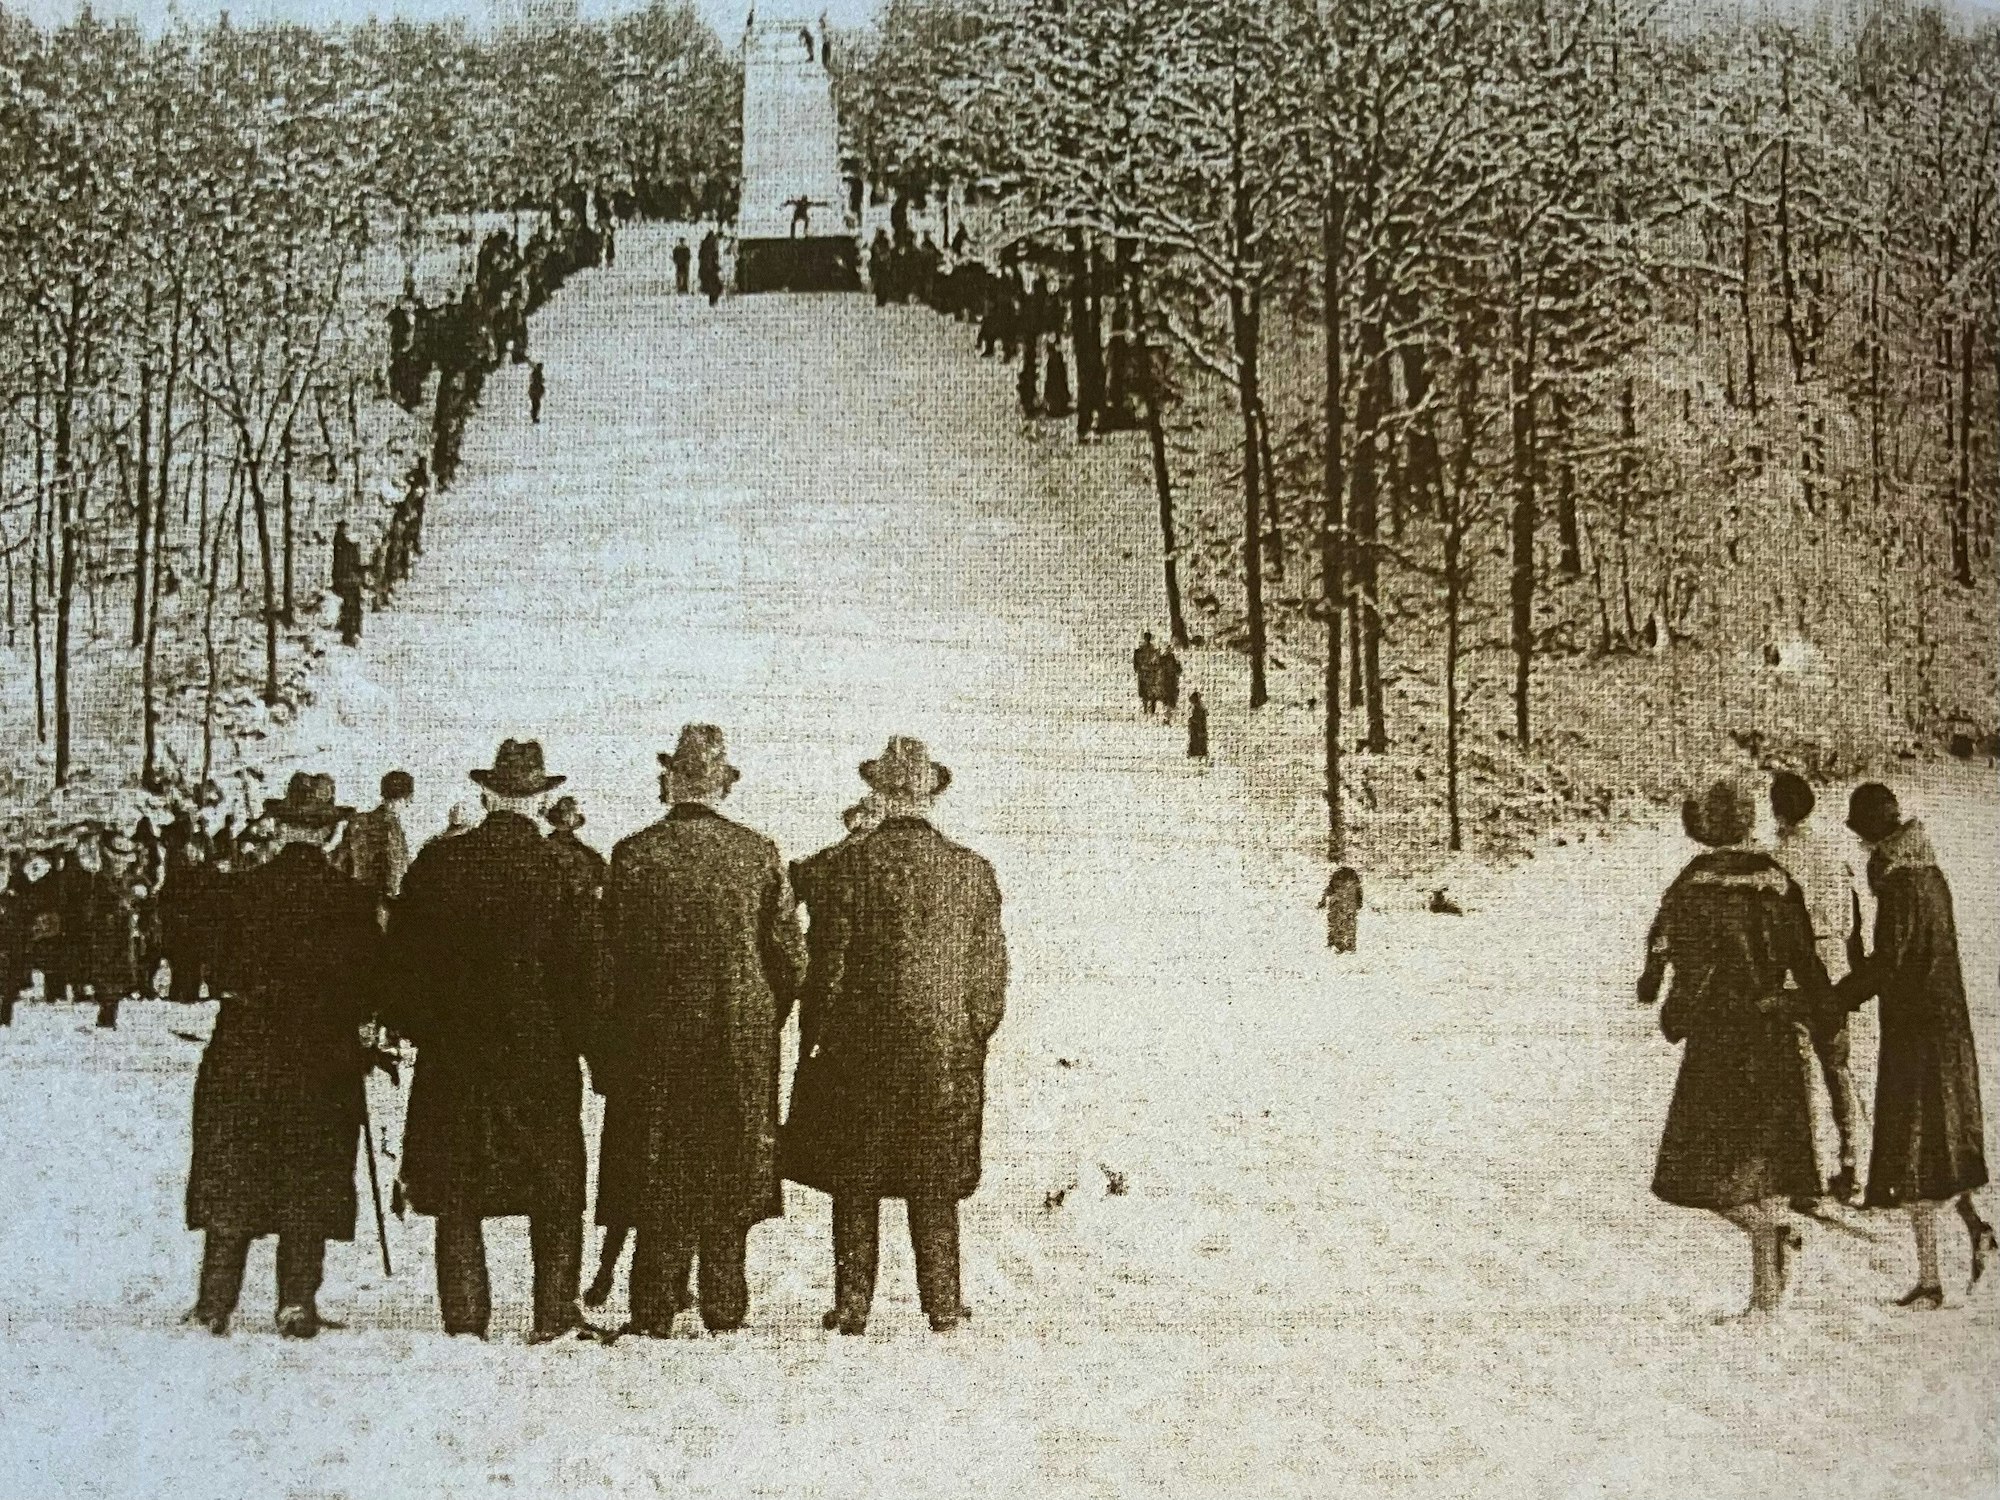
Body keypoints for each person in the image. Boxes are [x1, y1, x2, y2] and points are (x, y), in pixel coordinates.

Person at [783, 737, 1007, 1335]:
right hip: (944, 1051)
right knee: (933, 1180)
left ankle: (853, 1305)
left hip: (861, 1047)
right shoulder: (973, 871)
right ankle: (943, 1304)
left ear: (879, 795)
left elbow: (826, 964)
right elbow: (989, 981)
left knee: (854, 1181)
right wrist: (968, 1037)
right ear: (932, 796)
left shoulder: (847, 865)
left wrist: (816, 1035)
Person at [385, 740, 604, 1343]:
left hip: (457, 1048)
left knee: (458, 1186)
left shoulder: (440, 864)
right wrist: (593, 1046)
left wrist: (421, 1028)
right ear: (542, 799)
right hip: (541, 1048)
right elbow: (591, 975)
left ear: (486, 795)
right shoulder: (568, 870)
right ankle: (553, 1311)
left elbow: (401, 963)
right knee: (553, 1185)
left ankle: (465, 1320)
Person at [602, 726, 805, 1335]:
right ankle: (723, 1302)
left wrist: (614, 1038)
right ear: (722, 787)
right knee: (727, 1160)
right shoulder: (758, 853)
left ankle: (654, 1306)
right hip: (737, 1039)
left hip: (654, 1037)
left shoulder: (634, 853)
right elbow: (789, 957)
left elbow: (609, 955)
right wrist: (765, 1017)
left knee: (658, 1162)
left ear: (672, 783)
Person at [184, 773, 385, 1339]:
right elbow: (372, 981)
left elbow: (212, 968)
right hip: (321, 1055)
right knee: (311, 1171)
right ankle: (296, 1302)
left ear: (279, 826)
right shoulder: (351, 901)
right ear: (331, 832)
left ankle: (215, 1302)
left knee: (235, 1170)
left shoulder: (239, 892)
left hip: (245, 1049)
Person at [1640, 777, 1829, 1319]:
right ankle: (1767, 1283)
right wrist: (1824, 1014)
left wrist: (1660, 991)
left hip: (1719, 1039)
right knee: (1763, 1165)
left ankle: (1769, 1264)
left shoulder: (1693, 884)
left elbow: (1664, 947)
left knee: (1703, 1171)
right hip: (1769, 1036)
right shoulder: (1778, 881)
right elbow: (1805, 957)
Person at [1835, 782, 1993, 1307]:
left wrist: (1837, 996)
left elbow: (1890, 963)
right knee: (1948, 1145)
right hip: (1946, 1031)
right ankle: (1979, 1230)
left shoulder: (1902, 886)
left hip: (1916, 1036)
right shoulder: (1931, 875)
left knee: (1915, 1157)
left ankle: (1930, 1281)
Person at [1765, 771, 1863, 1203]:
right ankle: (1852, 1163)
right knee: (1838, 1068)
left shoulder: (1775, 861)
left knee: (1801, 1073)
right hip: (1837, 971)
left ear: (1778, 810)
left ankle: (1808, 1174)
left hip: (1795, 973)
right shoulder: (1835, 856)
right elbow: (1854, 922)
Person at [341, 770, 415, 922]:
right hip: (380, 906)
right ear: (408, 798)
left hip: (351, 898)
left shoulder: (357, 822)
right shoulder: (392, 828)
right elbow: (395, 875)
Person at [331, 522, 364, 647]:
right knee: (352, 608)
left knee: (350, 607)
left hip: (345, 581)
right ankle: (351, 633)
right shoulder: (346, 547)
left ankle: (349, 632)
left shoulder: (340, 544)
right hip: (349, 582)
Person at [1132, 631, 1161, 716]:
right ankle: (1151, 709)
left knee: (1146, 691)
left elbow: (1136, 662)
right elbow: (1157, 663)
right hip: (1150, 673)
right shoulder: (1154, 651)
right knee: (1151, 691)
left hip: (1145, 673)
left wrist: (1139, 668)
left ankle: (1146, 709)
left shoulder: (1142, 650)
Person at [699, 230, 724, 307]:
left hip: (707, 269)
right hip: (710, 269)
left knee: (712, 285)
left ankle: (713, 299)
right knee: (714, 284)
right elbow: (712, 258)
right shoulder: (710, 247)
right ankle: (713, 299)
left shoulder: (705, 246)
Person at [1158, 647, 1184, 720]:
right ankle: (1167, 714)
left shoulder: (1172, 659)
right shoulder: (1164, 659)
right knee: (1167, 697)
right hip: (1167, 681)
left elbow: (1178, 671)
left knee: (1170, 697)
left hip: (1170, 681)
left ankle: (1168, 714)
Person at [1186, 689, 1209, 761]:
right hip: (1197, 728)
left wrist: (1191, 720)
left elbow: (1198, 719)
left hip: (1198, 728)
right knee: (1196, 740)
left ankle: (1198, 753)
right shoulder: (1198, 707)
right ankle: (1197, 752)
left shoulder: (1199, 708)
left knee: (1197, 740)